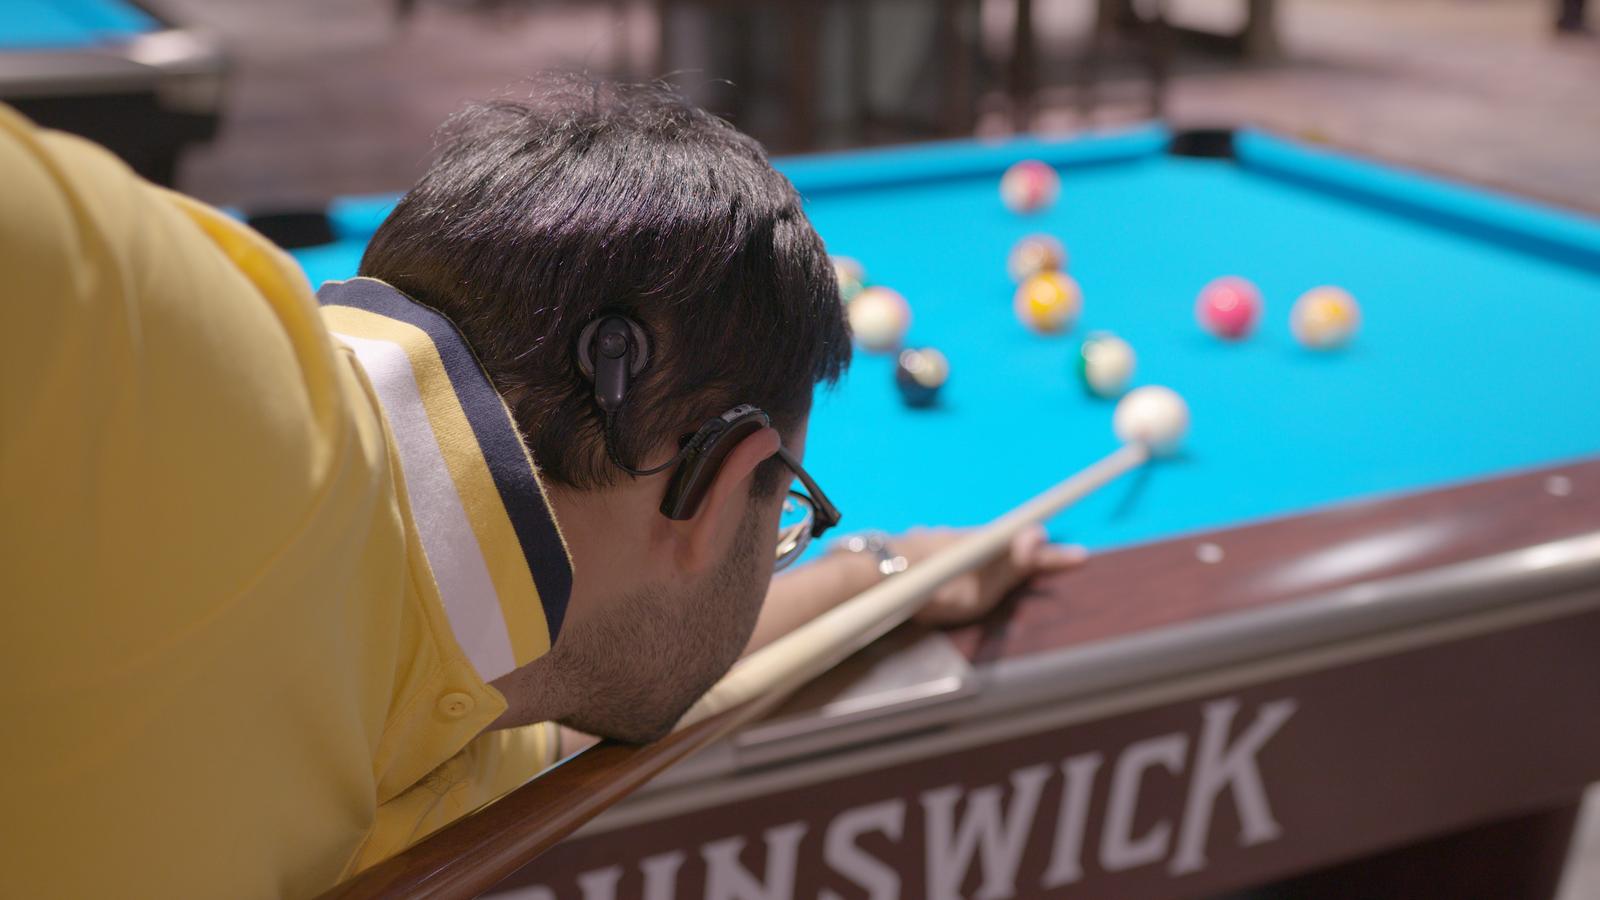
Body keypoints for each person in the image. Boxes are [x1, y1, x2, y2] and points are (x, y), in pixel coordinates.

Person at [0, 75, 1084, 898]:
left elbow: (620, 672)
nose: (781, 550)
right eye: (788, 519)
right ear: (724, 490)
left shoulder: (469, 707)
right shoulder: (174, 350)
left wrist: (875, 574)